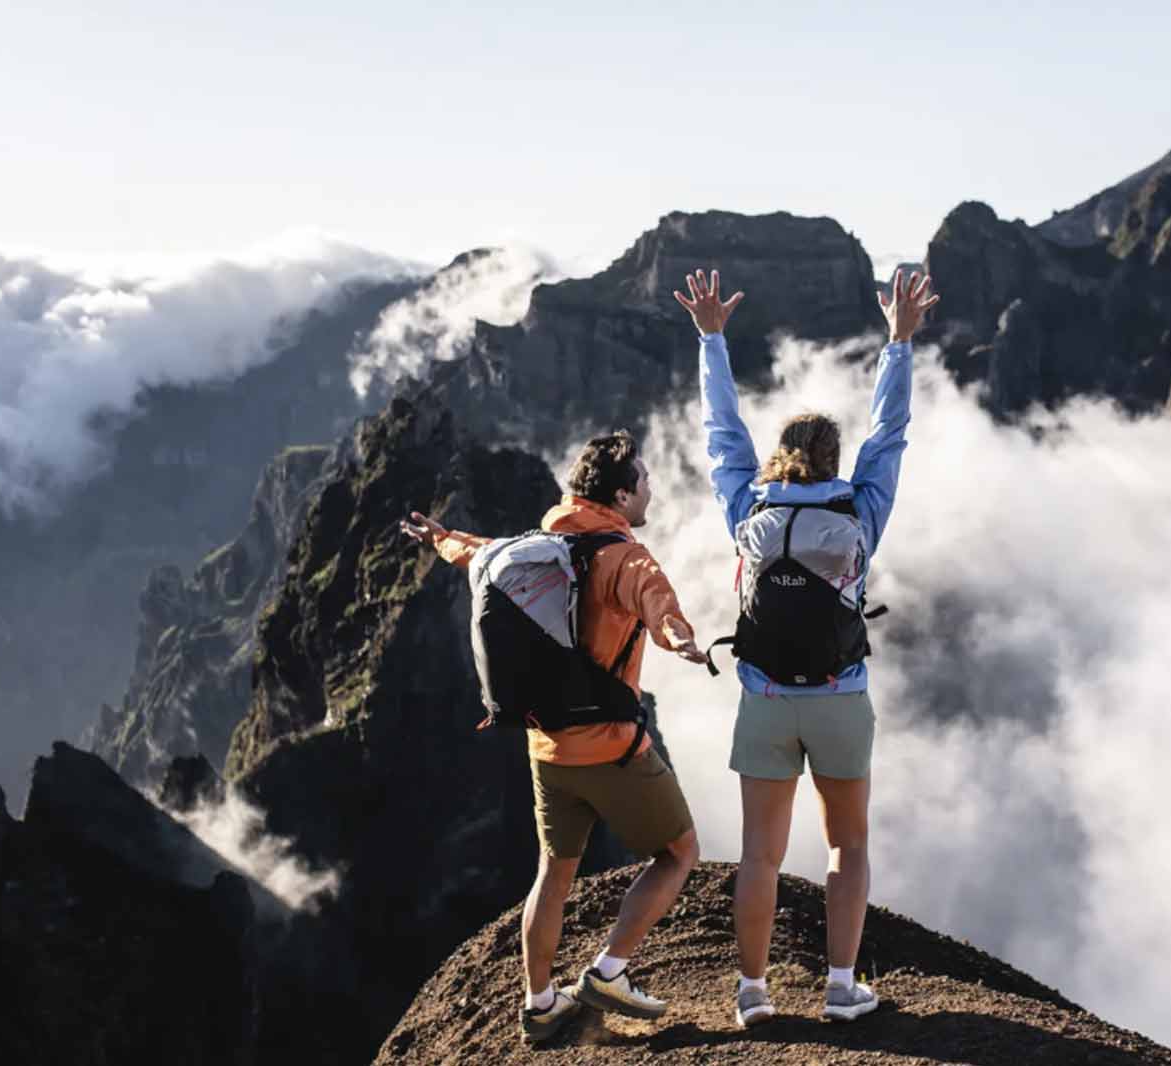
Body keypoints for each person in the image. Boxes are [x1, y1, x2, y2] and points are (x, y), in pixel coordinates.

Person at [673, 266, 938, 1027]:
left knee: (760, 853)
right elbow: (890, 433)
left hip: (763, 698)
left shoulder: (747, 509)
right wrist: (898, 342)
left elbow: (721, 433)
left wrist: (712, 339)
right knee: (846, 846)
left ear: (782, 457)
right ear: (833, 460)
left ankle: (752, 993)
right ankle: (841, 987)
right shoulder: (860, 509)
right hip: (839, 697)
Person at [400, 431, 707, 1046]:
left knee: (553, 872)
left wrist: (439, 538)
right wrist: (681, 639)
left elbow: (476, 553)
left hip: (546, 748)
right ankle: (609, 972)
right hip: (611, 748)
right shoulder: (625, 557)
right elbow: (657, 602)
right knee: (679, 853)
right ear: (621, 497)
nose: (650, 489)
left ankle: (540, 1004)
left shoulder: (540, 547)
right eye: (644, 481)